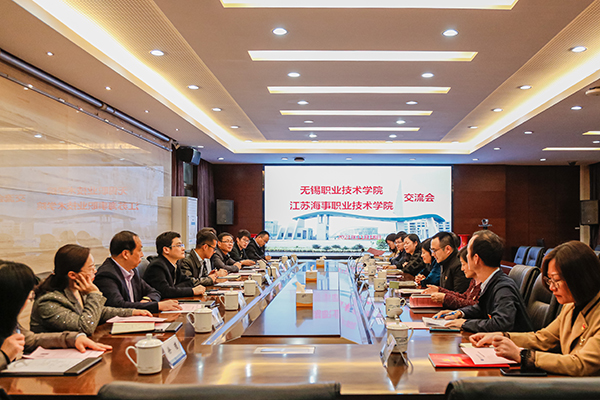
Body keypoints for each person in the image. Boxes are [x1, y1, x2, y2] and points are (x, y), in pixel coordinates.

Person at [470, 241, 600, 376]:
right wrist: (501, 336)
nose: (551, 287)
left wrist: (523, 355)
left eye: (556, 280)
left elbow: (581, 364)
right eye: (549, 280)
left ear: (580, 278)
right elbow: (543, 339)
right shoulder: (571, 306)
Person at [0, 260, 111, 371]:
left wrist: (74, 339)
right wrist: (4, 355)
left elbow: (31, 340)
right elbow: (86, 326)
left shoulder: (7, 320)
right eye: (28, 297)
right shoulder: (49, 301)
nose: (28, 300)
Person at [30, 245, 151, 336]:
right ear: (72, 275)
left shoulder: (77, 289)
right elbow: (85, 327)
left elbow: (100, 312)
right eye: (91, 268)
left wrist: (132, 312)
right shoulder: (48, 301)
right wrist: (94, 294)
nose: (95, 271)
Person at [433, 230, 532, 332]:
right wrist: (460, 313)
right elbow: (481, 308)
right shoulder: (491, 281)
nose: (466, 256)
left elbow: (502, 323)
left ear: (476, 258)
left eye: (468, 253)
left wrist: (465, 323)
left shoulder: (503, 288)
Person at [94, 231, 181, 313]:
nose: (142, 255)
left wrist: (147, 300)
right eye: (139, 250)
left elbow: (154, 292)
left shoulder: (132, 271)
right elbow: (118, 306)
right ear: (125, 254)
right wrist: (157, 306)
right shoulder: (106, 275)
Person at [143, 231, 207, 298]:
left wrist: (173, 289)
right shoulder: (157, 266)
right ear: (166, 250)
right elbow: (165, 292)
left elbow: (189, 282)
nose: (183, 249)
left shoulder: (175, 264)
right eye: (179, 245)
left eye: (182, 245)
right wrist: (192, 291)